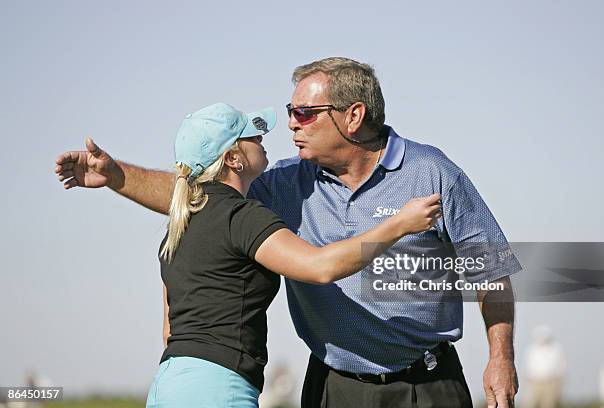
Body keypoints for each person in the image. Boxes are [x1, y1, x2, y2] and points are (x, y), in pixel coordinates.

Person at [55, 57, 521, 408]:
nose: (291, 125)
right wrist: (117, 177)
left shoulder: (433, 173)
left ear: (353, 117)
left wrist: (500, 356)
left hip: (429, 383)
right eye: (290, 111)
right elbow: (200, 198)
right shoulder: (281, 183)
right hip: (333, 386)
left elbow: (491, 271)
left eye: (305, 113)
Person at [65, 101, 440, 407]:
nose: (263, 137)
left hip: (170, 384)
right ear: (233, 159)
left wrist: (115, 175)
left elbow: (169, 329)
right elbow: (320, 267)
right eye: (251, 135)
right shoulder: (240, 215)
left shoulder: (182, 222)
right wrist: (399, 225)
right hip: (218, 388)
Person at [524, 326, 565, 408]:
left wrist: (560, 384)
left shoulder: (556, 348)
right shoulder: (532, 349)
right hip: (535, 382)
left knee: (549, 404)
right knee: (531, 404)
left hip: (551, 381)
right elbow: (527, 366)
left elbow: (561, 367)